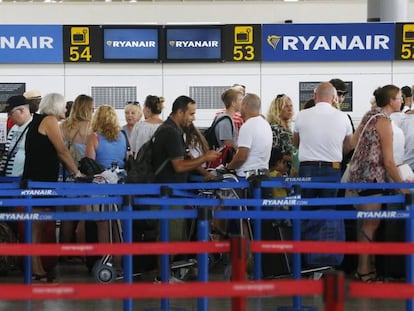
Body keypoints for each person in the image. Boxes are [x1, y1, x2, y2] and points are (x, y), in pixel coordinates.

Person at [151, 95, 219, 282]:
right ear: (180, 112)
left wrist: (204, 173)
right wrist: (205, 159)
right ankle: (162, 278)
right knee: (169, 235)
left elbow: (186, 158)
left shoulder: (170, 129)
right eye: (191, 113)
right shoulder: (171, 133)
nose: (193, 118)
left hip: (170, 192)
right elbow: (179, 165)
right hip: (168, 193)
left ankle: (165, 275)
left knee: (172, 234)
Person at [348, 85, 408, 282]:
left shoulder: (370, 115)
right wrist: (401, 185)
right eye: (400, 97)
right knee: (371, 223)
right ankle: (364, 270)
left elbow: (352, 142)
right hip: (372, 178)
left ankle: (368, 268)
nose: (402, 100)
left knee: (366, 223)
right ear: (391, 100)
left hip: (359, 176)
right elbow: (389, 161)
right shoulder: (383, 122)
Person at [22, 93, 82, 282]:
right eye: (64, 106)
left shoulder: (37, 120)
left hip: (36, 179)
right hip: (40, 181)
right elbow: (62, 151)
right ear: (55, 107)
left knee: (37, 226)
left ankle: (36, 268)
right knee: (37, 226)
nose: (66, 110)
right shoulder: (49, 120)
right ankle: (36, 269)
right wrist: (77, 174)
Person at [293, 82, 353, 269]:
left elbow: (296, 143)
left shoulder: (301, 115)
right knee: (328, 214)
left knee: (305, 213)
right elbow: (349, 144)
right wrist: (334, 152)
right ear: (334, 98)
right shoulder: (343, 117)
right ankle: (324, 261)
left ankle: (303, 262)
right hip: (332, 170)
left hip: (306, 170)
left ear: (314, 95)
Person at [59, 94, 94, 257]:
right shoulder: (90, 127)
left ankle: (65, 251)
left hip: (65, 174)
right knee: (82, 215)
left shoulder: (63, 125)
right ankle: (82, 253)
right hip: (83, 175)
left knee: (67, 216)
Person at [227, 93, 273, 178]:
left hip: (247, 177)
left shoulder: (248, 126)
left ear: (245, 105)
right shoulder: (266, 124)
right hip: (264, 174)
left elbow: (241, 157)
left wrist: (228, 168)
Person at [0, 95, 32, 177]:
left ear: (21, 111)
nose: (9, 116)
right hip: (9, 179)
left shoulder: (35, 127)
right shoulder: (14, 127)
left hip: (23, 182)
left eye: (10, 113)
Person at [266, 93, 296, 176]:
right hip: (279, 173)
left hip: (290, 172)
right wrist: (291, 159)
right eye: (286, 106)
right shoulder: (274, 128)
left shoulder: (288, 129)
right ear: (278, 109)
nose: (290, 109)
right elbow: (273, 153)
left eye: (291, 106)